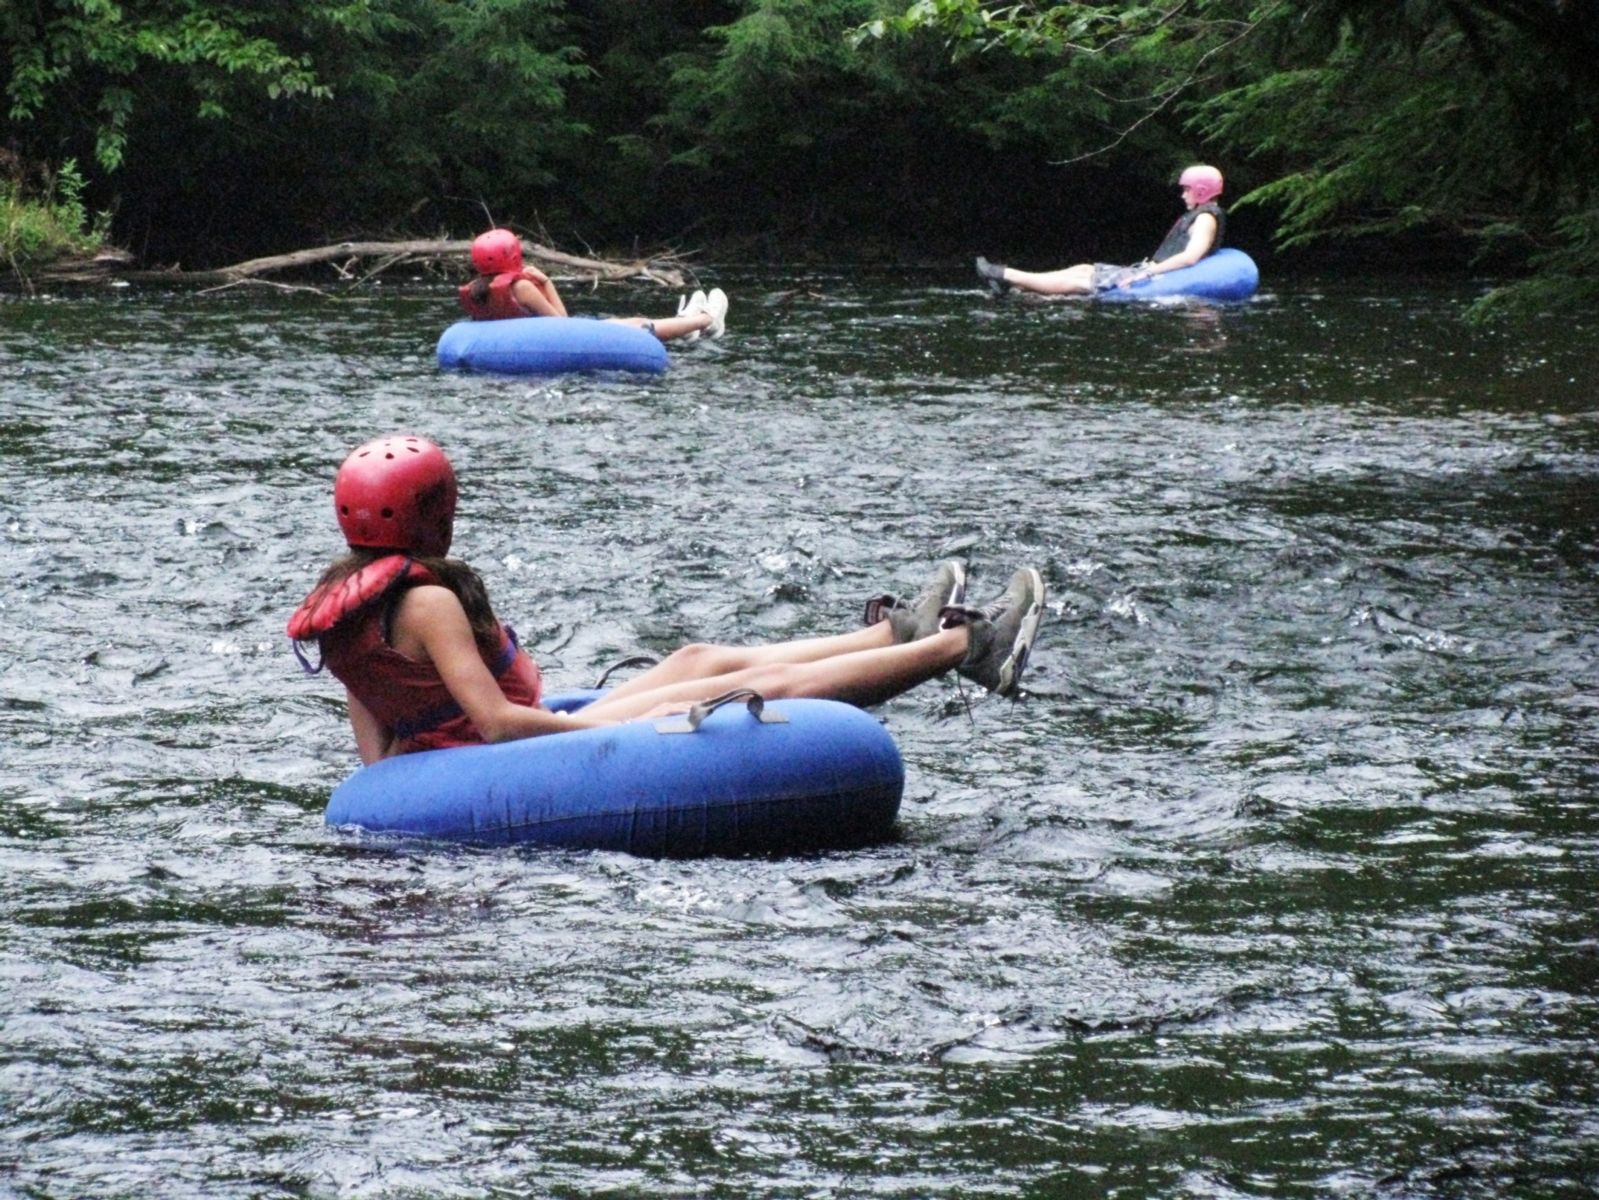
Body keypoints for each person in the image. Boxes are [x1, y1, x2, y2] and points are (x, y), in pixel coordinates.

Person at [289, 435, 1047, 765]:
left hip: (463, 751)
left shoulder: (343, 604)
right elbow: (492, 723)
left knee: (694, 658)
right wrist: (590, 737)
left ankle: (897, 635)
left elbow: (376, 747)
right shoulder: (425, 602)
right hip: (506, 744)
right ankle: (969, 649)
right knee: (736, 688)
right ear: (432, 514)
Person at [975, 165, 1227, 297]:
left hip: (1156, 275)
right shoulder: (1202, 213)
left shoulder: (1205, 218)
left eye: (1187, 189)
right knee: (1085, 268)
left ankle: (1004, 274)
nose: (1183, 194)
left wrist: (1148, 272)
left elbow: (1191, 256)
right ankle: (1014, 284)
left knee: (1083, 281)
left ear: (1202, 190)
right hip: (1151, 271)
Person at [458, 228, 728, 342]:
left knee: (619, 322)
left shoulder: (477, 290)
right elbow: (562, 322)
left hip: (519, 343)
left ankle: (686, 324)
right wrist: (547, 282)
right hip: (554, 340)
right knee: (639, 324)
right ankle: (707, 320)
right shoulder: (522, 287)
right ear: (514, 255)